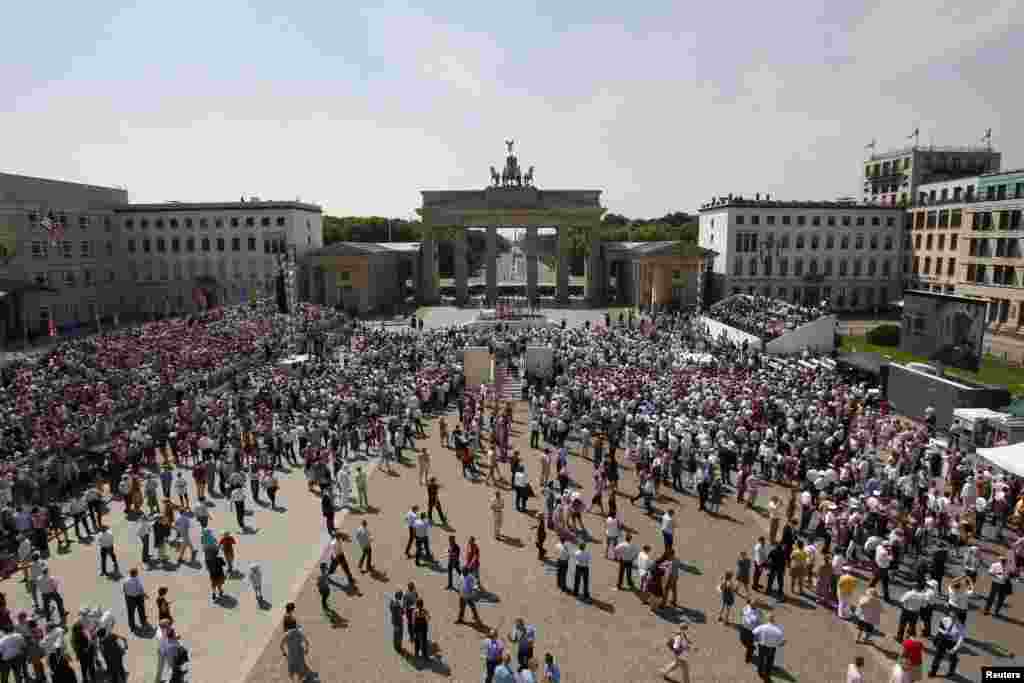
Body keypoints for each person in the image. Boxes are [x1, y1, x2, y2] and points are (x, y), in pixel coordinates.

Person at [928, 614, 965, 678]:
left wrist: (954, 649)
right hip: (943, 640)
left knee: (953, 659)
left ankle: (951, 672)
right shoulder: (945, 620)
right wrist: (944, 633)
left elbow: (961, 639)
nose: (953, 618)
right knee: (938, 656)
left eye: (955, 617)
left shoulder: (960, 626)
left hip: (952, 642)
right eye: (952, 616)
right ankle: (933, 672)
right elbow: (939, 629)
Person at [753, 614, 784, 682]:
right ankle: (767, 676)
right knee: (769, 662)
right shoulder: (777, 630)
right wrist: (781, 643)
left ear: (767, 620)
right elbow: (780, 643)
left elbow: (754, 633)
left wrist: (756, 640)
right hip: (771, 648)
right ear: (774, 620)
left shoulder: (762, 627)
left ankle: (760, 672)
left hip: (762, 646)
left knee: (761, 659)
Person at [122, 567, 149, 632]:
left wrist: (127, 596)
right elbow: (140, 589)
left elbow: (124, 590)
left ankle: (132, 626)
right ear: (135, 574)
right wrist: (145, 595)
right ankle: (143, 623)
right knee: (141, 610)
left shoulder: (125, 580)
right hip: (138, 597)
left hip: (129, 598)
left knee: (130, 612)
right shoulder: (137, 580)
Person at [740, 600, 760, 664]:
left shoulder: (758, 613)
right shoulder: (747, 607)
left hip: (751, 632)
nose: (751, 605)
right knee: (743, 641)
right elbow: (741, 612)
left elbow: (759, 623)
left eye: (754, 604)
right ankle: (751, 648)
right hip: (744, 629)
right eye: (751, 604)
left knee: (749, 645)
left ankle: (748, 659)